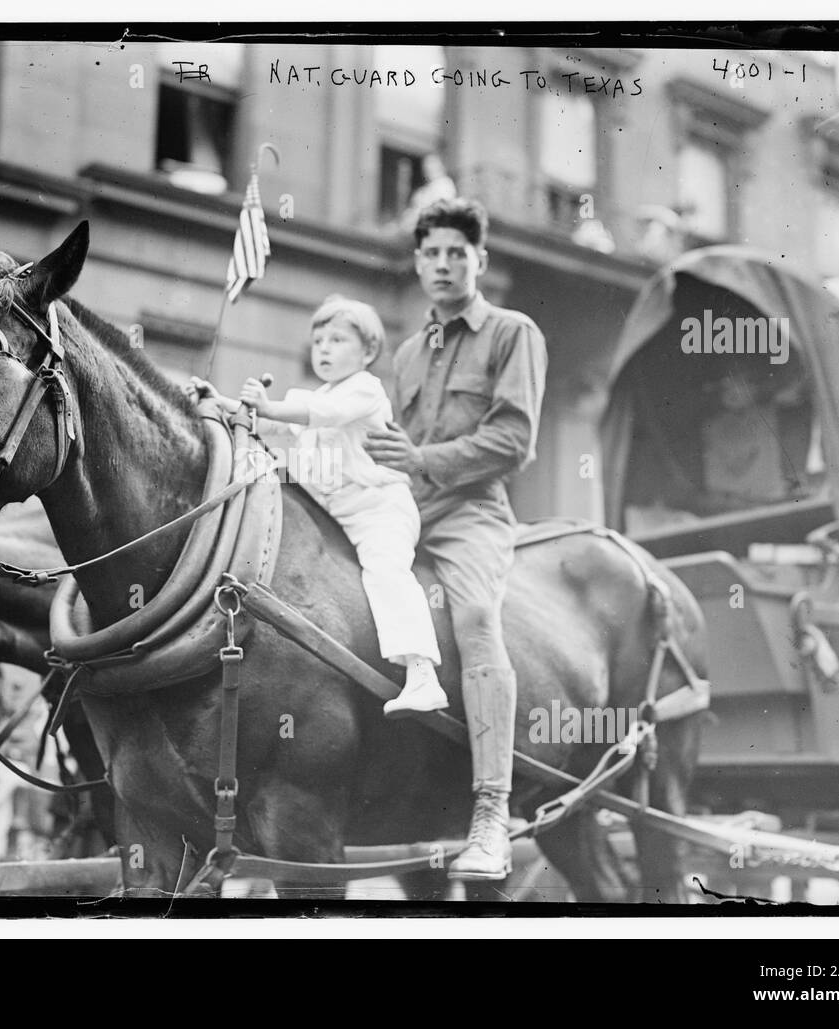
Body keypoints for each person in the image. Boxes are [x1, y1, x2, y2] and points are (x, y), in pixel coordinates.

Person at [364, 198, 547, 880]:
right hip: (406, 508)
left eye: (457, 254)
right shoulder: (408, 352)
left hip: (472, 509)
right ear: (417, 263)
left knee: (472, 616)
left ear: (480, 262)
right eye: (432, 254)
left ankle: (492, 812)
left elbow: (514, 439)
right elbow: (391, 443)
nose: (443, 265)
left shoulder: (512, 332)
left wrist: (423, 461)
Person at [189, 296, 445, 714]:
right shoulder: (309, 397)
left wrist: (270, 405)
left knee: (387, 571)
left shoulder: (364, 390)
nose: (323, 348)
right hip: (333, 514)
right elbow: (267, 421)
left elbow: (320, 413)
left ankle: (422, 674)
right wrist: (220, 401)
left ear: (368, 352)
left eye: (338, 339)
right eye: (318, 340)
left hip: (377, 509)